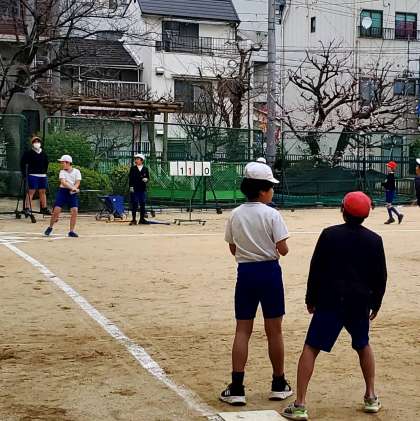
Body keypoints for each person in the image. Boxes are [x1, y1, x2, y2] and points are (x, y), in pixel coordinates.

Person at [282, 191, 387, 421]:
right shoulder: (374, 239)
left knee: (311, 347)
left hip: (330, 299)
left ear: (343, 210)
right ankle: (370, 396)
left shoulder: (330, 235)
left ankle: (300, 403)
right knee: (363, 345)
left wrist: (311, 298)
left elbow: (316, 268)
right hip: (359, 301)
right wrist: (376, 302)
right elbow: (380, 275)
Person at [220, 162, 293, 406]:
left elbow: (233, 248)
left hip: (246, 273)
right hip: (269, 272)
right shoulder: (272, 214)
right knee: (275, 330)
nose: (272, 191)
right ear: (262, 190)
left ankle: (237, 387)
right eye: (270, 187)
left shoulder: (236, 214)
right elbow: (283, 249)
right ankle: (278, 383)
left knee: (242, 329)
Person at [44, 155, 81, 238]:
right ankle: (50, 227)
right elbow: (63, 182)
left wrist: (74, 188)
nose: (61, 164)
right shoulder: (62, 172)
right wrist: (72, 188)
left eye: (62, 162)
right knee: (56, 210)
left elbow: (77, 182)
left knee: (74, 210)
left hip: (72, 193)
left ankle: (71, 231)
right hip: (63, 192)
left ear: (68, 163)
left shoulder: (77, 171)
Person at [20, 136, 51, 215]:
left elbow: (46, 163)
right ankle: (27, 208)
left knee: (43, 191)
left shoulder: (43, 153)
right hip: (32, 175)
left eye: (38, 142)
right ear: (32, 143)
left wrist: (45, 172)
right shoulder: (28, 153)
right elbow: (23, 163)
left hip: (42, 175)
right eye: (35, 142)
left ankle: (44, 208)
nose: (36, 143)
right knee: (31, 191)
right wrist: (24, 174)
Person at [128, 153, 150, 225]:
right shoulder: (133, 168)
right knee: (134, 203)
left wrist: (146, 179)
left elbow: (148, 177)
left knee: (142, 204)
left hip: (142, 189)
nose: (136, 160)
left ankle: (142, 219)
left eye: (138, 159)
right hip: (135, 189)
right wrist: (131, 187)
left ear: (142, 160)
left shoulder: (145, 169)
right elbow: (130, 178)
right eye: (136, 159)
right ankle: (133, 219)